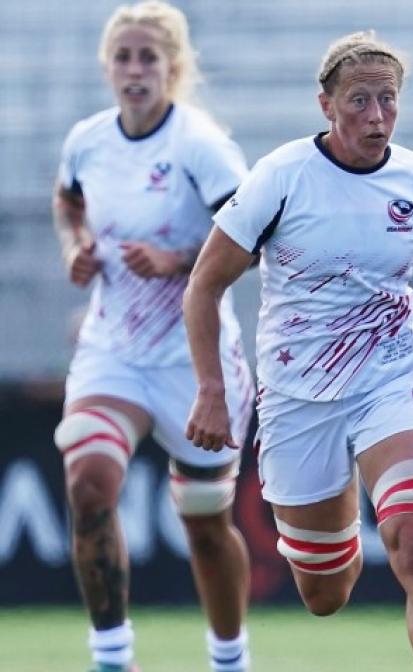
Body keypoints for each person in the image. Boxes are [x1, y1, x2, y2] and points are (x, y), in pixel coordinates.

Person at [184, 31, 413, 672]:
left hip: (390, 383)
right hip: (296, 399)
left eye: (388, 101)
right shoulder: (282, 177)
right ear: (326, 105)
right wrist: (210, 389)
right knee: (323, 593)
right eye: (360, 100)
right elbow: (204, 285)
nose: (376, 117)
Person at [52, 3, 254, 670]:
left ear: (173, 67)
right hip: (113, 349)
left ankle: (229, 658)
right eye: (123, 57)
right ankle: (112, 657)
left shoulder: (199, 145)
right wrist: (76, 245)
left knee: (204, 524)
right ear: (107, 66)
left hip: (193, 361)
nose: (134, 69)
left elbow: (251, 239)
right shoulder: (87, 140)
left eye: (148, 57)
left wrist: (176, 261)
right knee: (88, 483)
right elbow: (69, 199)